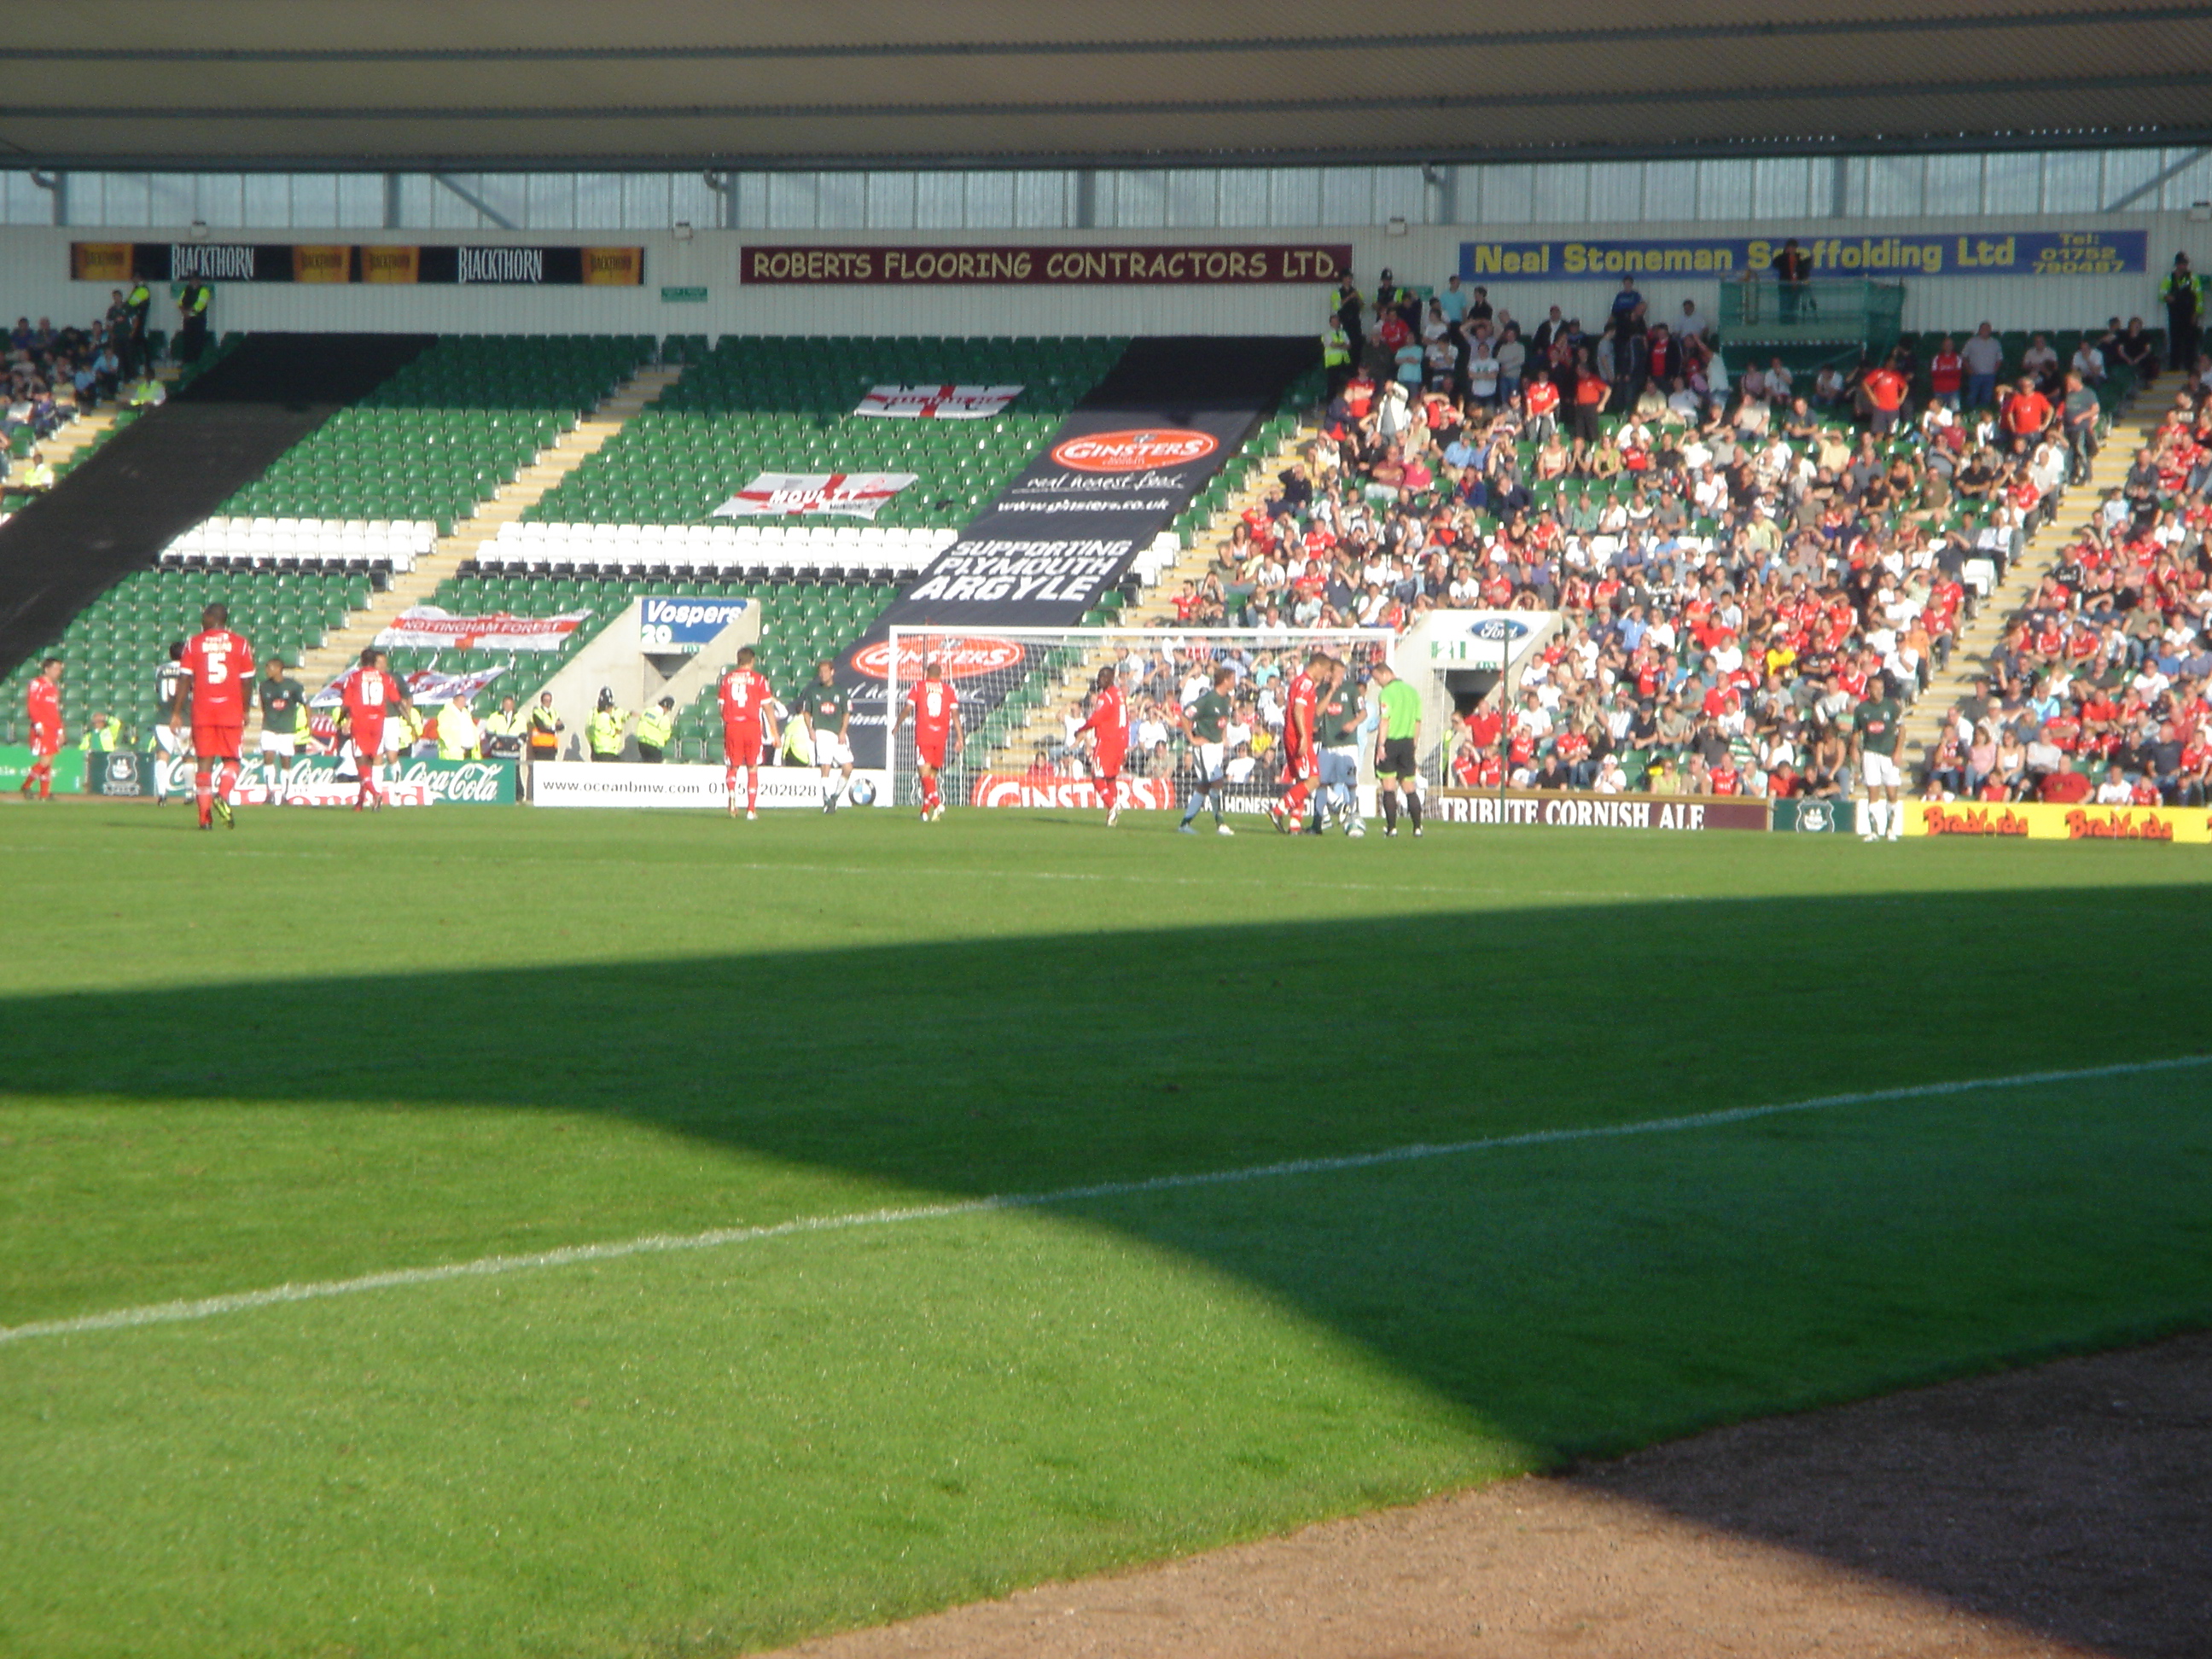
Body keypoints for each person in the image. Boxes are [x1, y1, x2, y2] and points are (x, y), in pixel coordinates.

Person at [168, 603, 255, 830]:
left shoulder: (194, 643)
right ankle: (223, 795)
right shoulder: (240, 643)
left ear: (210, 617)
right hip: (231, 710)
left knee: (204, 763)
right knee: (232, 760)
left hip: (203, 711)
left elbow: (185, 680)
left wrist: (176, 713)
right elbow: (247, 681)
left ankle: (204, 818)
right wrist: (245, 709)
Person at [897, 655, 963, 823]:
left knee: (923, 774)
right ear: (941, 675)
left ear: (926, 673)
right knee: (931, 776)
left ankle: (937, 803)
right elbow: (955, 714)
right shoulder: (948, 690)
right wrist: (960, 738)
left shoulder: (919, 687)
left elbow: (908, 708)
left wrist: (897, 724)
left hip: (924, 735)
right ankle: (924, 812)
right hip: (941, 737)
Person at [340, 648, 405, 810]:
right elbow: (397, 701)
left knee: (361, 762)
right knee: (370, 761)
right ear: (375, 662)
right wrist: (409, 721)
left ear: (361, 661)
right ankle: (360, 803)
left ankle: (375, 793)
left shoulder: (354, 677)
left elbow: (347, 703)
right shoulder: (386, 679)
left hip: (361, 722)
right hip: (378, 723)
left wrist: (341, 720)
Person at [717, 645, 777, 820]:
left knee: (733, 766)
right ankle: (751, 809)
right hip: (751, 726)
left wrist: (730, 717)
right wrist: (774, 732)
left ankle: (732, 798)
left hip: (733, 725)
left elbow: (721, 706)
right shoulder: (759, 680)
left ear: (738, 661)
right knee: (752, 768)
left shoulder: (727, 680)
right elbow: (767, 707)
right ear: (752, 661)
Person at [1177, 665, 1237, 836]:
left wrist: (1223, 738)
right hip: (1205, 747)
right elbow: (1185, 715)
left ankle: (1184, 824)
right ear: (1225, 680)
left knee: (1204, 786)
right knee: (1217, 781)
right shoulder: (1208, 699)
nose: (1235, 682)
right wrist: (1192, 739)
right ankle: (1220, 824)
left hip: (1217, 746)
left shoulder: (1226, 699)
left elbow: (1223, 720)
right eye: (1233, 678)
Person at [1272, 651, 1323, 835]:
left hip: (1292, 734)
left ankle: (1295, 825)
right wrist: (1303, 736)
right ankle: (1278, 810)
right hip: (1298, 736)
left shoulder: (1300, 682)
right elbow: (1298, 710)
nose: (1323, 675)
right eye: (1323, 670)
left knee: (1302, 781)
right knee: (1313, 780)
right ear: (1317, 666)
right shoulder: (1306, 683)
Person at [1313, 655, 1365, 835]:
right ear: (1329, 673)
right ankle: (1317, 822)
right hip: (1327, 745)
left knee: (1351, 781)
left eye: (1343, 673)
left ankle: (1354, 815)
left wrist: (1353, 723)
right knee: (1320, 782)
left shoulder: (1351, 689)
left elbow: (1363, 712)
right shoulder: (1321, 691)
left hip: (1347, 745)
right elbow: (1317, 713)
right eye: (1337, 673)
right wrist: (1330, 691)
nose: (1340, 677)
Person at [1371, 661, 1424, 838]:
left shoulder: (1387, 693)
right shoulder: (1412, 692)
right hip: (1408, 743)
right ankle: (1417, 827)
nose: (1377, 683)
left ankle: (1392, 828)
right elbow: (1418, 721)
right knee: (1409, 787)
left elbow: (1385, 720)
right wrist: (1414, 744)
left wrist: (1380, 745)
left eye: (1377, 679)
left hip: (1391, 742)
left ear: (1385, 674)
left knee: (1388, 786)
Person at [1074, 665, 1129, 827]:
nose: (1100, 680)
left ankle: (1112, 804)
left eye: (1103, 677)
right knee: (1110, 777)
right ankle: (1111, 816)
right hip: (1120, 742)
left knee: (1097, 777)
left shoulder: (1106, 698)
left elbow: (1095, 719)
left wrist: (1081, 729)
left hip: (1107, 742)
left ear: (1110, 679)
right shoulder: (1119, 695)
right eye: (1099, 677)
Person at [1852, 674, 1905, 842]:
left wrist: (1898, 751)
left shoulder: (1892, 707)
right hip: (1870, 753)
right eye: (1875, 688)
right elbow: (1856, 732)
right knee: (1872, 791)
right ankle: (1874, 831)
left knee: (1891, 792)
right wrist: (1854, 748)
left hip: (1888, 754)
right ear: (1868, 690)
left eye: (1881, 688)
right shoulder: (1861, 709)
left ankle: (1890, 829)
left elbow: (1902, 729)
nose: (1879, 692)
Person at [795, 660, 853, 811]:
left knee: (848, 767)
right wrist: (811, 730)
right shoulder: (813, 692)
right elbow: (806, 712)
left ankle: (834, 796)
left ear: (832, 672)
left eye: (826, 671)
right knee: (825, 764)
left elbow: (847, 713)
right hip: (822, 731)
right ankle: (826, 798)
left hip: (837, 733)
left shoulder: (840, 692)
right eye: (820, 672)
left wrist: (842, 732)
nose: (823, 674)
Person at [253, 656, 305, 804]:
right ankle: (269, 792)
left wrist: (309, 725)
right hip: (269, 727)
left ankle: (285, 794)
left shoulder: (294, 686)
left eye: (269, 667)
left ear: (278, 669)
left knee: (285, 760)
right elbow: (264, 706)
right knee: (268, 757)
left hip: (287, 728)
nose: (267, 671)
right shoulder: (264, 686)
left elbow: (305, 703)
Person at [20, 656, 62, 801]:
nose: (58, 672)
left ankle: (44, 794)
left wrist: (60, 729)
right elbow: (32, 704)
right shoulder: (37, 684)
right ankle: (26, 786)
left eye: (60, 669)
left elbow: (55, 710)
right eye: (56, 668)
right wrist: (37, 723)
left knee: (49, 762)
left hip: (53, 728)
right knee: (44, 761)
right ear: (46, 669)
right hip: (42, 727)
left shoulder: (53, 688)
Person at [150, 641, 188, 805]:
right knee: (188, 756)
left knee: (162, 755)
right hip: (186, 717)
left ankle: (162, 793)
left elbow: (157, 690)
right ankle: (190, 792)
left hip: (164, 717)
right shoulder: (189, 669)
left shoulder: (160, 670)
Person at [2161, 253, 2201, 370]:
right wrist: (2166, 297)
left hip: (2189, 314)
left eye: (2185, 264)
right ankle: (2174, 367)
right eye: (2181, 264)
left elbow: (2199, 297)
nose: (2183, 266)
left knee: (2190, 342)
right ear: (2176, 265)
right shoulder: (2169, 278)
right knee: (2175, 341)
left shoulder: (2193, 278)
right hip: (2175, 316)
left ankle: (2190, 367)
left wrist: (2196, 313)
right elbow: (2161, 293)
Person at [585, 688, 631, 763]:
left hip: (612, 749)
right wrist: (592, 745)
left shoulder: (616, 711)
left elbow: (623, 716)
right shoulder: (595, 714)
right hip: (602, 750)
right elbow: (590, 730)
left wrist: (629, 714)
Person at [1773, 237, 1812, 323]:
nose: (1793, 249)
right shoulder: (1782, 259)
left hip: (1796, 287)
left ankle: (1793, 323)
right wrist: (1785, 255)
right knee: (1785, 306)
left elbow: (1802, 271)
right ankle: (1784, 323)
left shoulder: (1798, 259)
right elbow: (1775, 263)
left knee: (1794, 307)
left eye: (1794, 247)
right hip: (1785, 286)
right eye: (1791, 247)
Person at [437, 691, 482, 761]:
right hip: (454, 753)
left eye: (464, 701)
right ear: (454, 701)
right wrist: (453, 748)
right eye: (460, 701)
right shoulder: (446, 714)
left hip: (469, 749)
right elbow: (443, 732)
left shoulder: (466, 713)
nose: (463, 703)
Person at [527, 690, 564, 766]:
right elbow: (541, 728)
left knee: (550, 771)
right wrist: (554, 726)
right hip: (540, 747)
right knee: (540, 770)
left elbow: (561, 727)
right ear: (542, 701)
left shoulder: (554, 712)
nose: (547, 702)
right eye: (545, 700)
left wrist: (550, 727)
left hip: (552, 747)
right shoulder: (537, 712)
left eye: (549, 700)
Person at [633, 696, 674, 763]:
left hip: (642, 744)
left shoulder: (647, 711)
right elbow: (666, 736)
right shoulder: (664, 718)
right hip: (655, 747)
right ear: (667, 708)